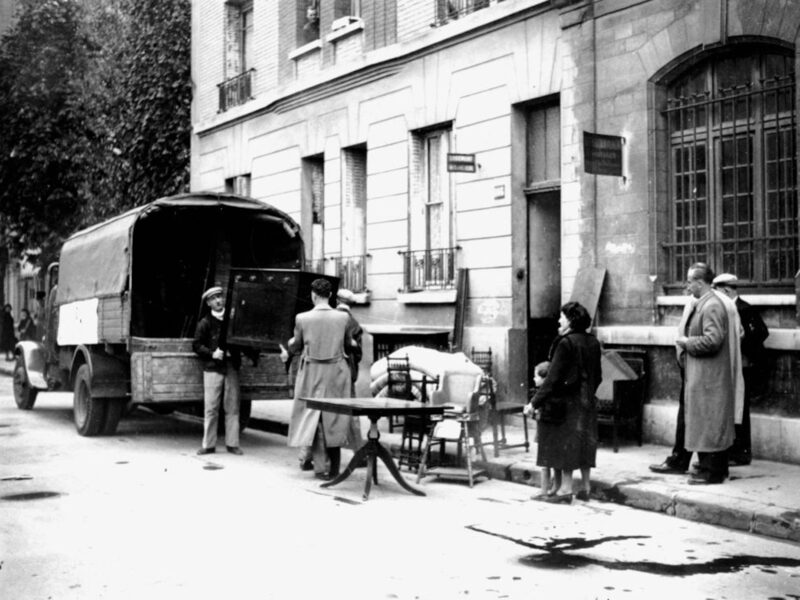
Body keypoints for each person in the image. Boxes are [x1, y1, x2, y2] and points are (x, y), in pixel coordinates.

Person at [285, 279, 358, 481]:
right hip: (336, 371)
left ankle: (319, 467)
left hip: (312, 371)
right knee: (335, 417)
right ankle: (334, 468)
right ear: (331, 295)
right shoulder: (343, 317)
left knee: (314, 417)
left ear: (313, 295)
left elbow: (296, 345)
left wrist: (291, 344)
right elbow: (348, 343)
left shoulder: (302, 318)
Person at [675, 263, 741, 484]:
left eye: (689, 282)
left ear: (700, 282)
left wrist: (687, 342)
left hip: (709, 377)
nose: (687, 286)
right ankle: (709, 468)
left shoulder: (711, 305)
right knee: (706, 422)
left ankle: (712, 472)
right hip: (705, 375)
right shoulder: (706, 303)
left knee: (710, 422)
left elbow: (713, 340)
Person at [531, 301, 602, 503]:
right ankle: (585, 488)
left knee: (566, 445)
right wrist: (588, 392)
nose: (559, 321)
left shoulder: (565, 343)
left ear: (570, 320)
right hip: (587, 402)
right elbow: (598, 376)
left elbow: (552, 379)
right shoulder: (593, 342)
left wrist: (534, 403)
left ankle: (564, 490)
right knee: (584, 445)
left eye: (561, 317)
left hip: (567, 404)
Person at [712, 273, 769, 466]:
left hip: (744, 367)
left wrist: (743, 341)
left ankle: (741, 453)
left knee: (740, 411)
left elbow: (761, 333)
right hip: (730, 366)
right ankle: (731, 452)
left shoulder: (744, 308)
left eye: (717, 291)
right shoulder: (729, 308)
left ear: (726, 290)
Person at [193, 286, 245, 456]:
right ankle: (208, 445)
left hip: (231, 367)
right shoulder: (205, 322)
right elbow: (196, 345)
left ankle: (232, 444)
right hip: (213, 367)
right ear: (208, 303)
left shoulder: (232, 320)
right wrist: (212, 353)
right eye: (213, 299)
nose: (218, 301)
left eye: (220, 297)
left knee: (232, 406)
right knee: (211, 408)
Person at [524, 361, 562, 498]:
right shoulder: (555, 393)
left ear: (545, 378)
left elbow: (543, 413)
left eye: (536, 376)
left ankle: (544, 490)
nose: (534, 378)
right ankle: (556, 487)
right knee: (555, 462)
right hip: (553, 430)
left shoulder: (543, 395)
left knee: (545, 462)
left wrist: (532, 412)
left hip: (546, 431)